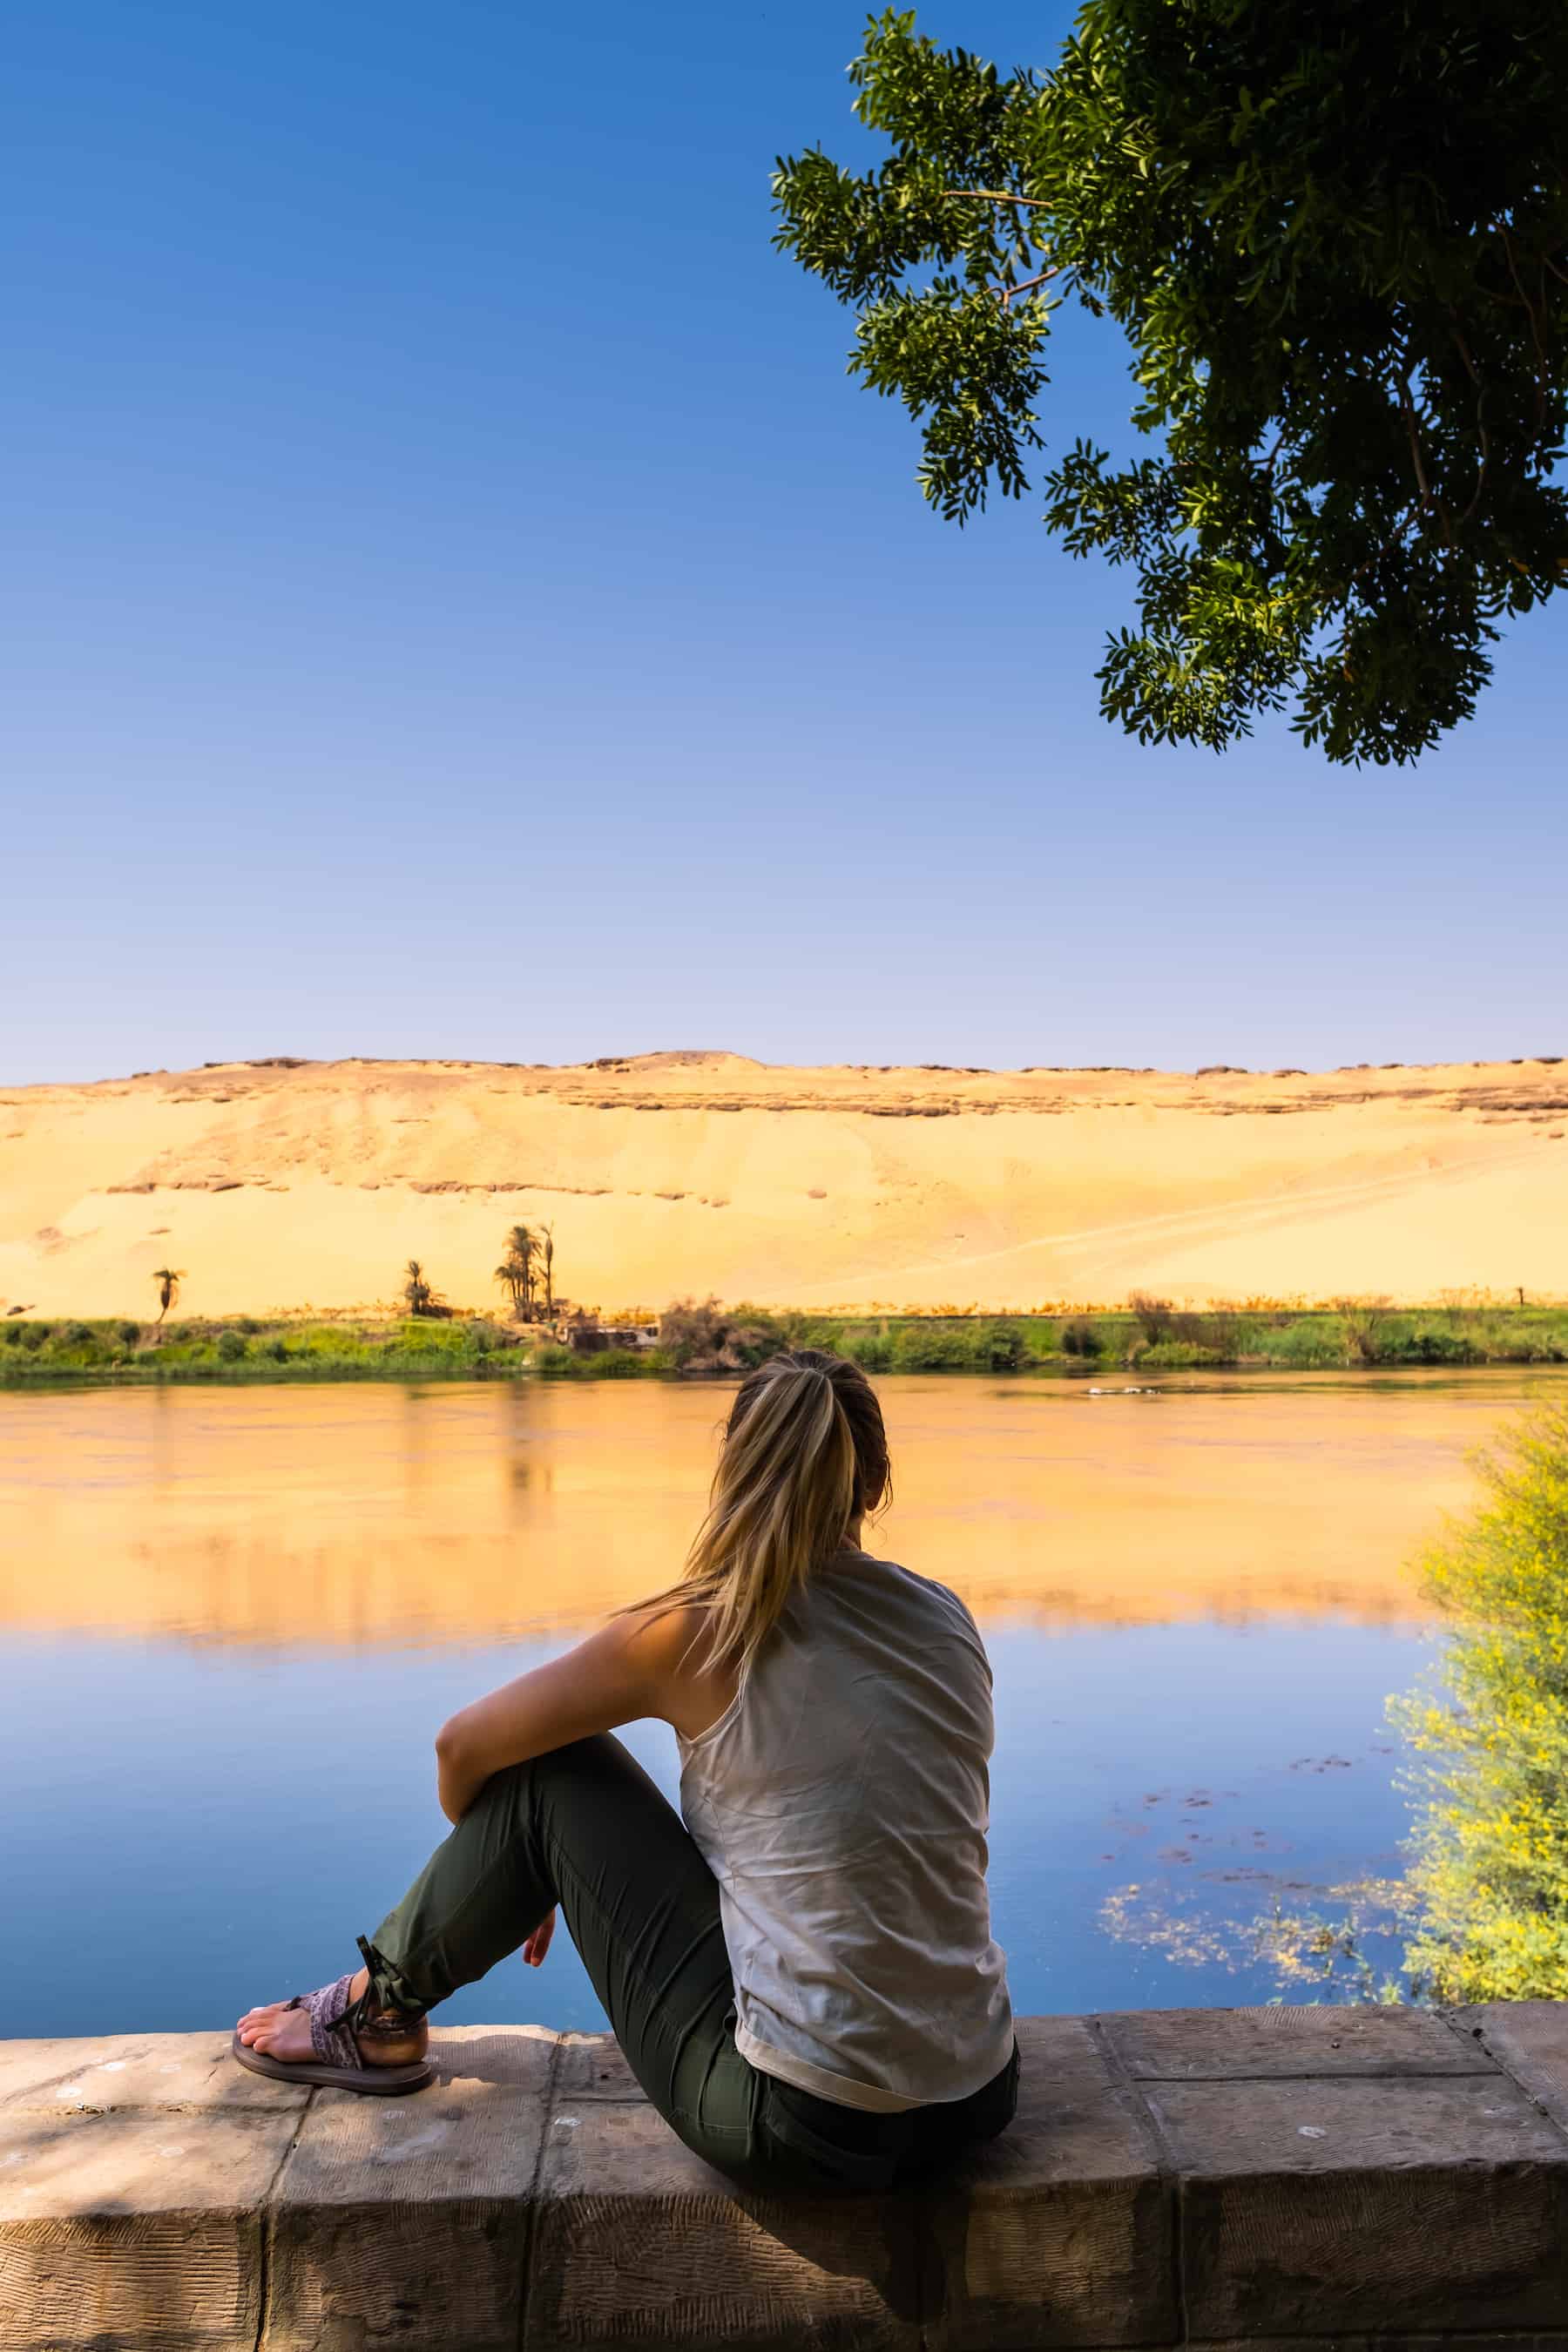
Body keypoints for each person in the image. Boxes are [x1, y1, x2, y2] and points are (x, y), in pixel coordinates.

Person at [233, 1348, 1018, 2193]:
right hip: (977, 2095)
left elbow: (462, 1746)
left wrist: (510, 1867)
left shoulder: (701, 1631)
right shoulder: (944, 1617)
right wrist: (526, 1866)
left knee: (548, 1764)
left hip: (807, 2126)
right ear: (875, 1483)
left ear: (732, 1475)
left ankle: (373, 2010)